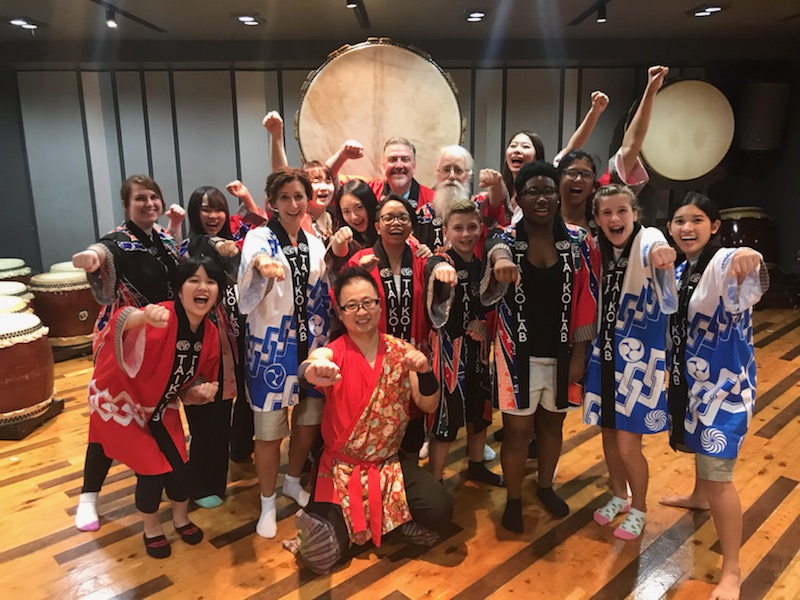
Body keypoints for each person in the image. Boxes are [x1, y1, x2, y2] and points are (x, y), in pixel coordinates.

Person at [286, 267, 453, 574]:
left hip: (388, 466)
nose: (361, 312)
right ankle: (374, 522)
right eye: (351, 305)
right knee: (318, 554)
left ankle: (380, 521)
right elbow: (314, 361)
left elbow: (428, 403)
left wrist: (425, 371)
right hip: (340, 470)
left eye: (368, 302)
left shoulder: (402, 351)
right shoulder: (334, 352)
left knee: (441, 508)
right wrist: (309, 372)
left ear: (379, 304)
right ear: (340, 312)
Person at [660, 193, 768, 600]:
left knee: (720, 475)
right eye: (680, 221)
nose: (687, 228)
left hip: (725, 390)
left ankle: (732, 571)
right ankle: (697, 496)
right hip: (693, 381)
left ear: (715, 226)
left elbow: (746, 266)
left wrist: (747, 254)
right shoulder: (683, 267)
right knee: (701, 453)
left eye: (697, 220)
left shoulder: (722, 262)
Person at [482, 161, 599, 531]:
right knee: (517, 432)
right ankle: (514, 498)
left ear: (558, 194)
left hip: (563, 352)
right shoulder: (505, 237)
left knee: (552, 425)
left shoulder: (580, 241)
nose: (542, 198)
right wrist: (501, 262)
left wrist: (580, 354)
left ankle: (546, 486)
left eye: (549, 190)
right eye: (532, 191)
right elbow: (495, 253)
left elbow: (587, 298)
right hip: (515, 354)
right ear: (518, 198)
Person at [86, 255, 223, 558]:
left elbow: (190, 385)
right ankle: (151, 528)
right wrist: (142, 317)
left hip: (163, 410)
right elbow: (121, 323)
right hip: (126, 404)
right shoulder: (162, 314)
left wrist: (199, 392)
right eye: (194, 280)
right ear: (179, 287)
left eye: (211, 281)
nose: (203, 287)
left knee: (179, 469)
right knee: (151, 470)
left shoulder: (210, 334)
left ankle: (180, 517)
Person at [71, 174, 185, 532]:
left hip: (160, 341)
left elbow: (176, 268)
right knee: (109, 417)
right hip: (124, 339)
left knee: (157, 413)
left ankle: (156, 474)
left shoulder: (163, 238)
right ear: (126, 205)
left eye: (154, 197)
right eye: (140, 198)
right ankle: (89, 495)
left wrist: (176, 226)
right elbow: (102, 252)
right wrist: (91, 258)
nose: (149, 203)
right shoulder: (118, 241)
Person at [238, 167, 331, 539]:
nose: (294, 204)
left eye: (299, 197)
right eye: (285, 198)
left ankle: (293, 480)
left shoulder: (314, 241)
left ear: (308, 200)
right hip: (270, 348)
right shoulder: (258, 237)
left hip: (311, 345)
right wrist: (264, 266)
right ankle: (266, 502)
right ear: (272, 204)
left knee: (308, 422)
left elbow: (326, 289)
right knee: (269, 432)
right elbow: (255, 263)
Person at [582, 184, 678, 540]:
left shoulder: (646, 239)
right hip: (603, 356)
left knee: (627, 444)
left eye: (622, 210)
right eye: (606, 213)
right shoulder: (599, 249)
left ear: (634, 213)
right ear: (598, 220)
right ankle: (618, 495)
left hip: (639, 363)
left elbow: (656, 244)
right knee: (608, 438)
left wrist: (662, 254)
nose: (615, 218)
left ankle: (639, 505)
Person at [424, 200, 503, 487]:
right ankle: (435, 479)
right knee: (446, 418)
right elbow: (433, 277)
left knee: (480, 413)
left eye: (472, 227)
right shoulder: (440, 262)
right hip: (448, 355)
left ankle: (477, 465)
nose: (466, 234)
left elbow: (491, 304)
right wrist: (440, 273)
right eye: (458, 228)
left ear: (480, 228)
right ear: (446, 231)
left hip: (479, 354)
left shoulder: (483, 266)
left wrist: (485, 324)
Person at [180, 186, 246, 507]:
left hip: (229, 338)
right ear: (195, 213)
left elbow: (256, 226)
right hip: (198, 339)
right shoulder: (191, 247)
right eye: (205, 209)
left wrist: (245, 199)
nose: (212, 215)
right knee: (202, 414)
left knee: (221, 412)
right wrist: (221, 244)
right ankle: (200, 484)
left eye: (218, 208)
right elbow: (212, 245)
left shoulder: (232, 244)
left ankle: (210, 483)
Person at [559, 66, 668, 236]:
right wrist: (594, 112)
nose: (578, 179)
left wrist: (650, 91)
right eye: (572, 173)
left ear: (594, 183)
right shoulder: (543, 210)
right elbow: (569, 152)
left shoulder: (604, 210)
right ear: (558, 176)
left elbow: (630, 147)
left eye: (586, 174)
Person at [502, 90, 609, 226]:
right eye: (513, 145)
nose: (517, 150)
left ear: (537, 156)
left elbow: (573, 147)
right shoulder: (499, 190)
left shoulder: (550, 181)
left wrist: (595, 111)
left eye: (525, 146)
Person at [415, 145, 507, 257]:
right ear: (437, 174)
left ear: (469, 175)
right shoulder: (423, 215)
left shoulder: (477, 206)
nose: (452, 176)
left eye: (458, 170)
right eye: (446, 170)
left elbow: (497, 199)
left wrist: (496, 183)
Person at [326, 136, 435, 209]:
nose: (399, 165)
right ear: (383, 167)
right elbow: (326, 181)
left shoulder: (431, 200)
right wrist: (342, 155)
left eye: (405, 159)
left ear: (414, 166)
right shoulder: (369, 189)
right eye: (392, 159)